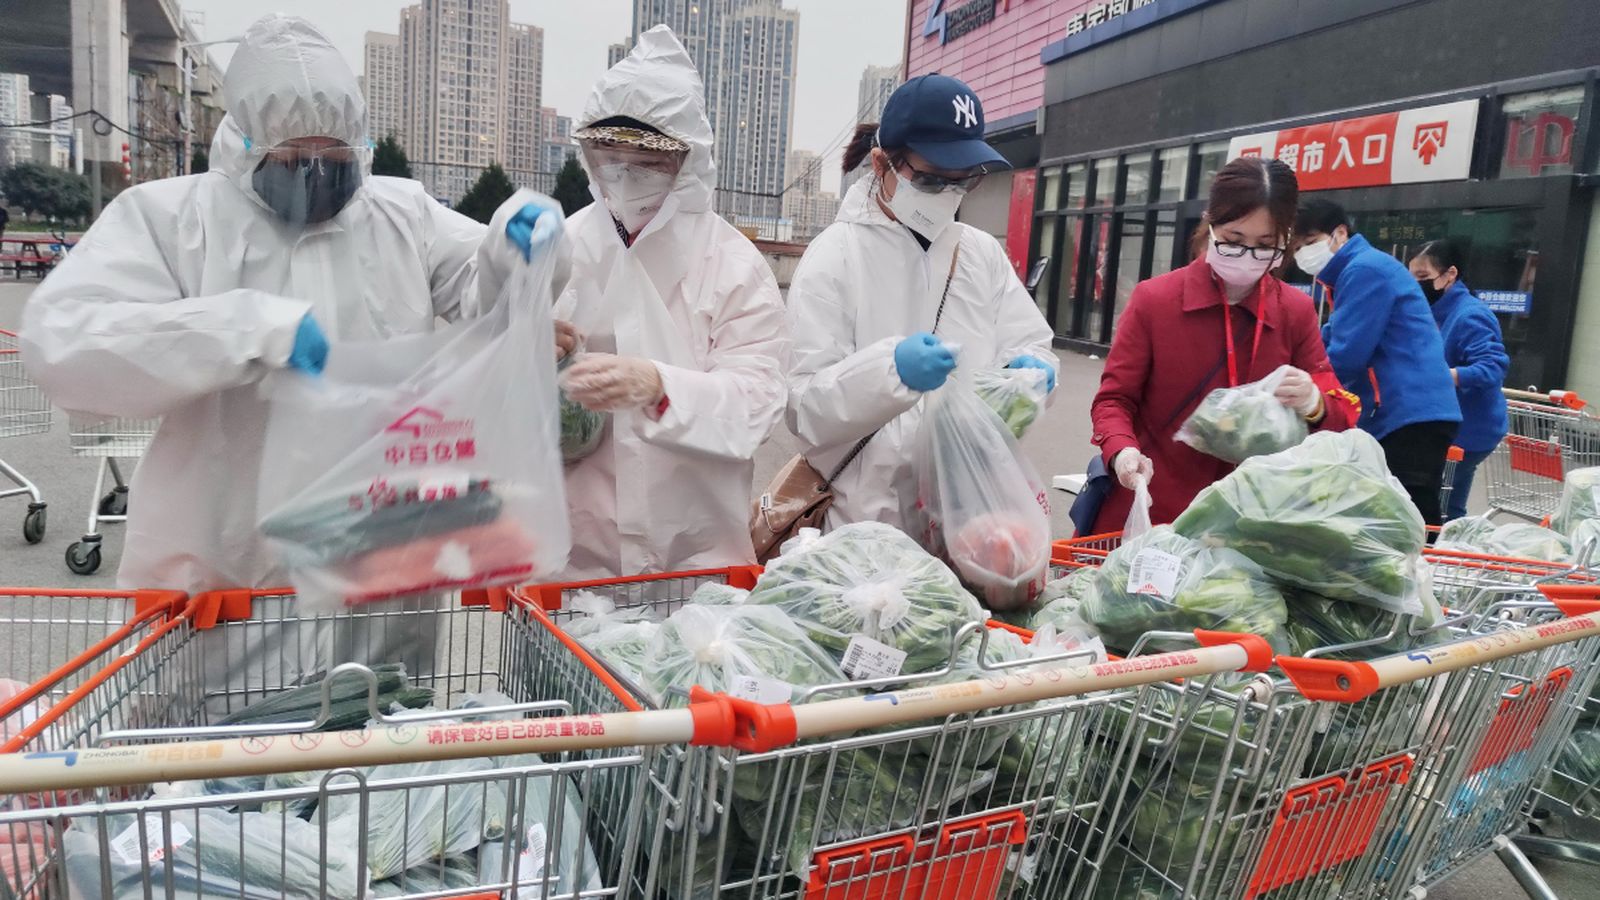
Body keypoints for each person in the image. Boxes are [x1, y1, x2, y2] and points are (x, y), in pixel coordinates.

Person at [20, 16, 551, 673]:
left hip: (379, 551)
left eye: (336, 159)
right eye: (297, 160)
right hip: (228, 560)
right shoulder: (172, 220)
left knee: (375, 743)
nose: (318, 179)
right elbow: (61, 338)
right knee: (218, 758)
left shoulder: (399, 214)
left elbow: (482, 285)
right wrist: (240, 328)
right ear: (247, 143)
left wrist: (512, 247)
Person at [496, 26, 788, 579]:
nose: (625, 171)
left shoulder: (731, 263)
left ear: (689, 161)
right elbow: (494, 399)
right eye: (609, 154)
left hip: (695, 563)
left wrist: (660, 387)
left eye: (647, 159)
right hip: (573, 564)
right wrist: (525, 355)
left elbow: (759, 402)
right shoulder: (559, 247)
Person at [786, 73, 1057, 531]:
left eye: (964, 181)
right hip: (868, 521)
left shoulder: (980, 253)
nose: (949, 195)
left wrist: (1033, 374)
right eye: (932, 179)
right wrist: (889, 372)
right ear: (880, 164)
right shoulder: (836, 255)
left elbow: (1028, 342)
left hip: (970, 516)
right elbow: (803, 408)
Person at [1089, 158, 1358, 533]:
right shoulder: (1155, 300)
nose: (1248, 256)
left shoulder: (1294, 310)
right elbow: (1114, 399)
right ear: (1210, 223)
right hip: (1157, 511)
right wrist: (1122, 451)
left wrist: (1314, 403)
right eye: (1233, 241)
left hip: (1253, 523)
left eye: (1266, 245)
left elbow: (1338, 406)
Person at [1293, 198, 1461, 525]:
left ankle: (1433, 572)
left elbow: (1346, 354)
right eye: (1297, 247)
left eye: (1310, 242)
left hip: (1409, 411)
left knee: (1406, 514)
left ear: (1339, 233)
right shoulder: (1357, 269)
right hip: (1411, 409)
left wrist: (1305, 394)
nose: (1302, 254)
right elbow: (1330, 337)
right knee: (1399, 509)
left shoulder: (1363, 270)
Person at [1408, 240, 1509, 521]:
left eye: (1423, 278)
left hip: (1470, 430)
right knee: (1446, 504)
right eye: (1411, 278)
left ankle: (1450, 554)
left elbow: (1493, 367)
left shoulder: (1470, 315)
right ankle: (1452, 550)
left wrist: (1446, 376)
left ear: (1450, 274)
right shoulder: (1435, 310)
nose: (1417, 286)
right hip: (1450, 425)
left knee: (1443, 505)